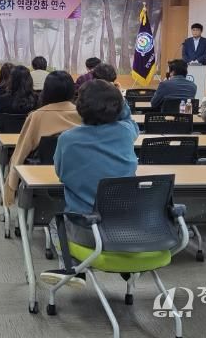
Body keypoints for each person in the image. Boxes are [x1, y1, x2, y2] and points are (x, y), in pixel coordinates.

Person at [40, 79, 139, 286]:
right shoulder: (126, 132)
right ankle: (125, 267)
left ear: (79, 107)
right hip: (127, 229)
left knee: (55, 224)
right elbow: (128, 118)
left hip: (87, 232)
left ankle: (74, 269)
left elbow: (60, 173)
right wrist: (120, 101)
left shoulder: (67, 139)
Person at [3, 71, 82, 206]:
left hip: (40, 181)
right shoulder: (83, 114)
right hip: (78, 181)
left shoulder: (37, 116)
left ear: (46, 91)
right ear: (72, 91)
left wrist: (11, 185)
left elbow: (21, 152)